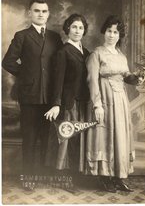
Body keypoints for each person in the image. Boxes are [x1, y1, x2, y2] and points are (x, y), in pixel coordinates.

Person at [2, 0, 62, 190]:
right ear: (29, 13)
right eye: (36, 11)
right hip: (29, 95)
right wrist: (28, 75)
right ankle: (28, 178)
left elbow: (59, 66)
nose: (40, 14)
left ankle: (43, 175)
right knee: (29, 138)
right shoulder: (22, 36)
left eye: (44, 11)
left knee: (46, 138)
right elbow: (8, 62)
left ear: (48, 13)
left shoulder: (55, 37)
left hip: (50, 97)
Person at [86, 15, 137, 193]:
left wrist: (137, 77)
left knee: (120, 137)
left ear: (119, 35)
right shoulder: (97, 53)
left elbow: (126, 76)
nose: (111, 35)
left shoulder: (122, 56)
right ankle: (104, 177)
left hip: (121, 100)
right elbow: (92, 81)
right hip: (105, 100)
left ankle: (118, 177)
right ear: (104, 32)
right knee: (105, 136)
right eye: (109, 31)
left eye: (115, 32)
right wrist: (97, 104)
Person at [44, 13, 91, 189]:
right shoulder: (63, 52)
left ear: (84, 30)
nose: (78, 31)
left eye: (81, 27)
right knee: (65, 137)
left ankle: (75, 176)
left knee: (77, 139)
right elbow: (58, 80)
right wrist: (56, 104)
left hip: (82, 103)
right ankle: (62, 178)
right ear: (67, 30)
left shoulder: (85, 52)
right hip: (68, 103)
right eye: (74, 27)